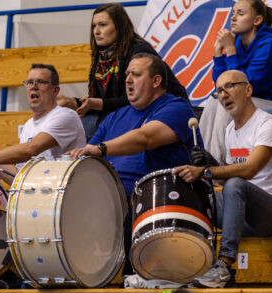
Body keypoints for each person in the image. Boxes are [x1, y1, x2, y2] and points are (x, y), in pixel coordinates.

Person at [67, 53, 202, 274]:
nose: (128, 79)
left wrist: (100, 148)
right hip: (110, 204)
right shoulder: (114, 117)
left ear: (156, 81)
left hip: (157, 204)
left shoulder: (177, 108)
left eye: (136, 75)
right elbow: (85, 157)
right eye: (127, 74)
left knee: (126, 211)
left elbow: (144, 139)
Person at [173, 70, 272, 288]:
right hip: (246, 211)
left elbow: (249, 170)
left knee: (233, 184)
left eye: (230, 87)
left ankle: (224, 265)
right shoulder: (230, 129)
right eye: (219, 91)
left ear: (248, 89)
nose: (224, 95)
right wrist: (209, 162)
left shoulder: (267, 125)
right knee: (194, 193)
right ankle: (189, 263)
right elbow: (230, 178)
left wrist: (207, 171)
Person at [57, 3, 188, 140]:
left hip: (159, 111)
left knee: (90, 132)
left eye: (102, 25)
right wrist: (75, 102)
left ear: (119, 27)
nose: (96, 31)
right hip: (122, 112)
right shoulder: (101, 55)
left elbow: (136, 99)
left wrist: (95, 104)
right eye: (94, 26)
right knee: (73, 128)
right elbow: (101, 101)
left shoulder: (139, 51)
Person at [0, 64, 86, 180]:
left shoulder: (66, 116)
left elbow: (32, 148)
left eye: (41, 82)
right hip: (39, 199)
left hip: (66, 200)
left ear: (55, 90)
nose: (33, 86)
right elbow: (18, 179)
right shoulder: (28, 126)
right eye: (29, 82)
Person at [199, 0, 272, 164]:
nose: (233, 18)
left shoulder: (270, 45)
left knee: (225, 102)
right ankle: (202, 161)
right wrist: (218, 54)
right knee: (212, 101)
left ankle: (217, 166)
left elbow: (240, 88)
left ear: (257, 20)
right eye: (233, 13)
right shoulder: (238, 43)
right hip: (251, 100)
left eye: (240, 14)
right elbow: (221, 87)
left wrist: (231, 50)